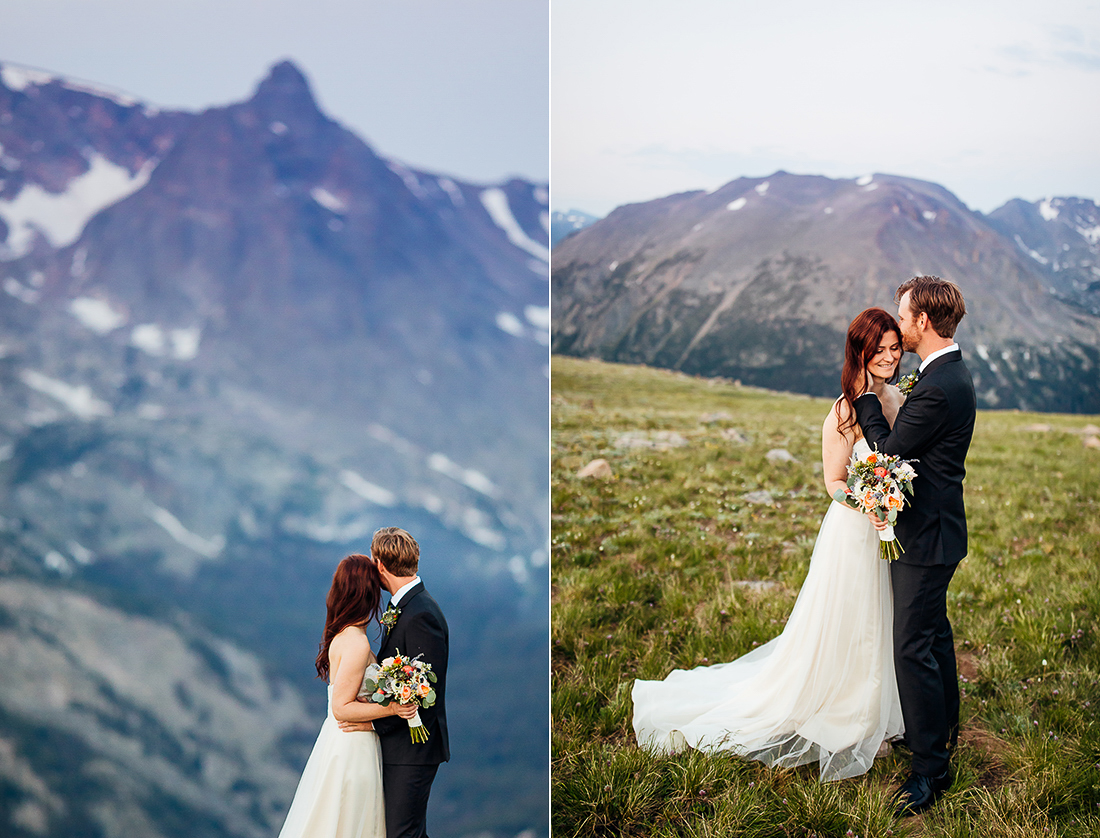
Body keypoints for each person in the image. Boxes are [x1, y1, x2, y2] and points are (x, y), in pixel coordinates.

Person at [631, 307, 907, 781]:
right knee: (851, 619)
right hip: (853, 532)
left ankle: (877, 710)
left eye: (893, 347)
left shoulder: (898, 400)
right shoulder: (844, 412)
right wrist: (868, 499)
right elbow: (833, 482)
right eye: (877, 349)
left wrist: (892, 496)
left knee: (885, 618)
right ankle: (845, 712)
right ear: (858, 352)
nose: (887, 357)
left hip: (890, 528)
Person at [853, 275, 975, 817]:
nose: (900, 327)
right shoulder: (944, 373)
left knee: (912, 645)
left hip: (926, 538)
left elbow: (887, 453)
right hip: (938, 531)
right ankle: (944, 728)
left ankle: (930, 770)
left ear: (922, 321)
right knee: (934, 634)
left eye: (904, 317)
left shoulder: (940, 385)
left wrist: (865, 400)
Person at [278, 554, 418, 838]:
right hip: (353, 747)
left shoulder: (343, 634)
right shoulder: (356, 642)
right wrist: (393, 709)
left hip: (340, 742)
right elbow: (341, 708)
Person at [339, 527, 449, 838]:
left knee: (403, 834)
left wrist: (373, 724)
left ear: (379, 565)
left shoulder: (420, 614)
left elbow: (425, 691)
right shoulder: (405, 606)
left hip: (414, 749)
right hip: (401, 747)